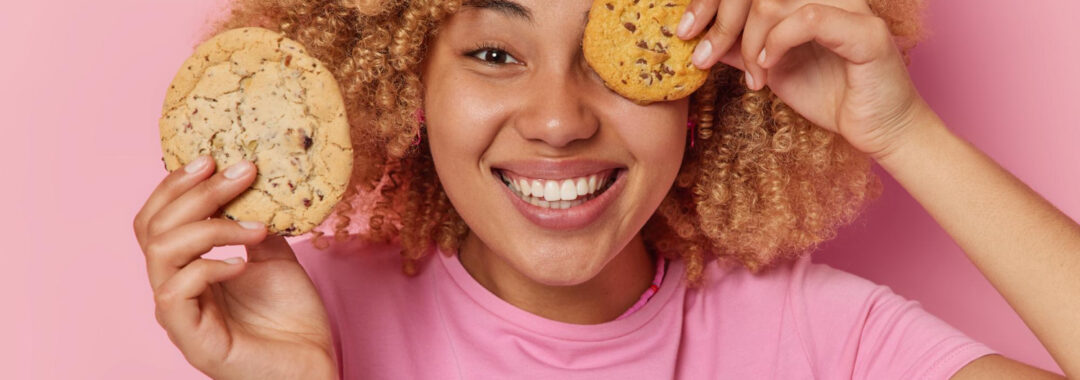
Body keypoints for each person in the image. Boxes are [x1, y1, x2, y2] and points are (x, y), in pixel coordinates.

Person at [132, 0, 1080, 378]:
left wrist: (902, 134)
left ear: (700, 92)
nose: (557, 119)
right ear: (405, 82)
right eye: (495, 52)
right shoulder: (293, 326)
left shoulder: (822, 342)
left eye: (612, 59)